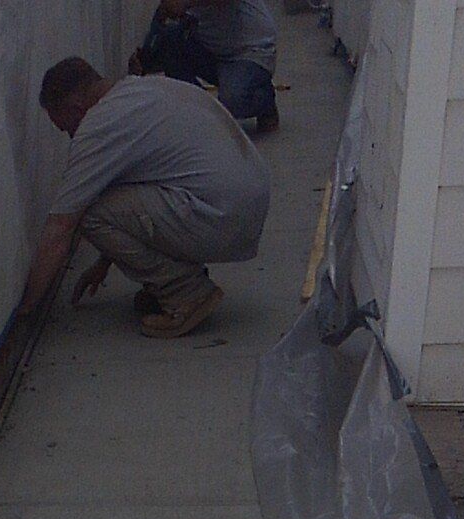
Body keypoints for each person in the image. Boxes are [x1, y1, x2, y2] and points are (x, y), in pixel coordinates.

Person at [19, 57, 270, 340]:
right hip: (242, 203)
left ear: (75, 109)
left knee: (88, 213)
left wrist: (26, 311)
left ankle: (185, 293)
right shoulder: (142, 90)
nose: (71, 137)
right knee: (107, 198)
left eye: (67, 129)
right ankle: (171, 282)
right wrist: (106, 260)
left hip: (224, 218)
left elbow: (61, 227)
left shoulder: (99, 125)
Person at [130, 0, 279, 133]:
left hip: (249, 52)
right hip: (211, 49)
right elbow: (164, 20)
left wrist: (185, 2)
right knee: (170, 43)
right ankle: (202, 114)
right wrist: (144, 59)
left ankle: (265, 100)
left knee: (234, 101)